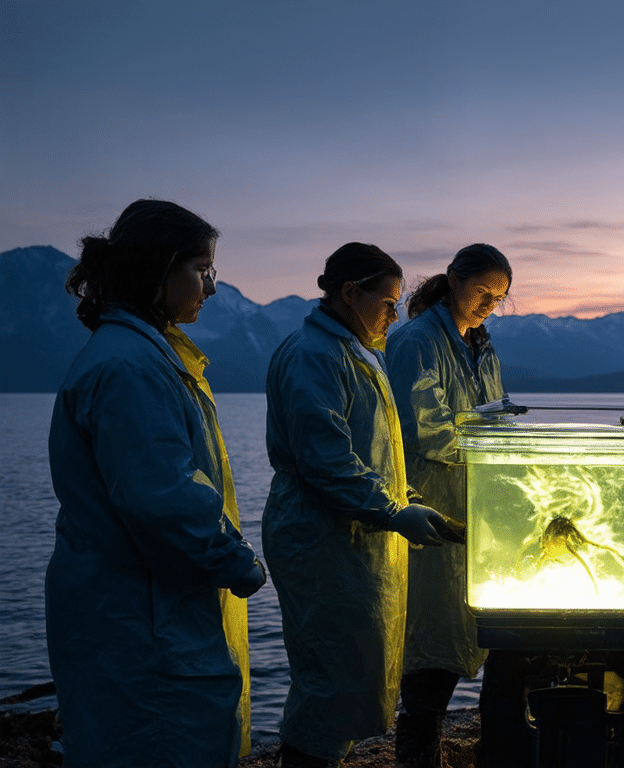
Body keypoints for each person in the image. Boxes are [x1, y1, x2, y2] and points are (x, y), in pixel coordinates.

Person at [45, 199, 267, 768]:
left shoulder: (142, 355)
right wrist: (238, 562)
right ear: (157, 269)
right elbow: (163, 499)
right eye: (202, 270)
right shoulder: (132, 369)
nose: (211, 288)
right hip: (141, 622)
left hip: (133, 612)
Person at [262, 242, 462, 767]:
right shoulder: (315, 356)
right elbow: (326, 461)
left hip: (355, 541)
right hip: (323, 541)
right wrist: (394, 513)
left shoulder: (352, 352)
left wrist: (407, 498)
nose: (395, 315)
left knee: (353, 676)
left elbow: (376, 454)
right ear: (350, 293)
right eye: (389, 302)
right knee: (330, 682)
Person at [385, 243, 511, 767]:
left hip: (478, 507)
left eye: (498, 297)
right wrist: (495, 444)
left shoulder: (481, 347)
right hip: (432, 506)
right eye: (482, 291)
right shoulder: (416, 340)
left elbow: (494, 417)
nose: (488, 303)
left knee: (489, 630)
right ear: (454, 280)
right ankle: (417, 755)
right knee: (430, 643)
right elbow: (425, 429)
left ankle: (500, 747)